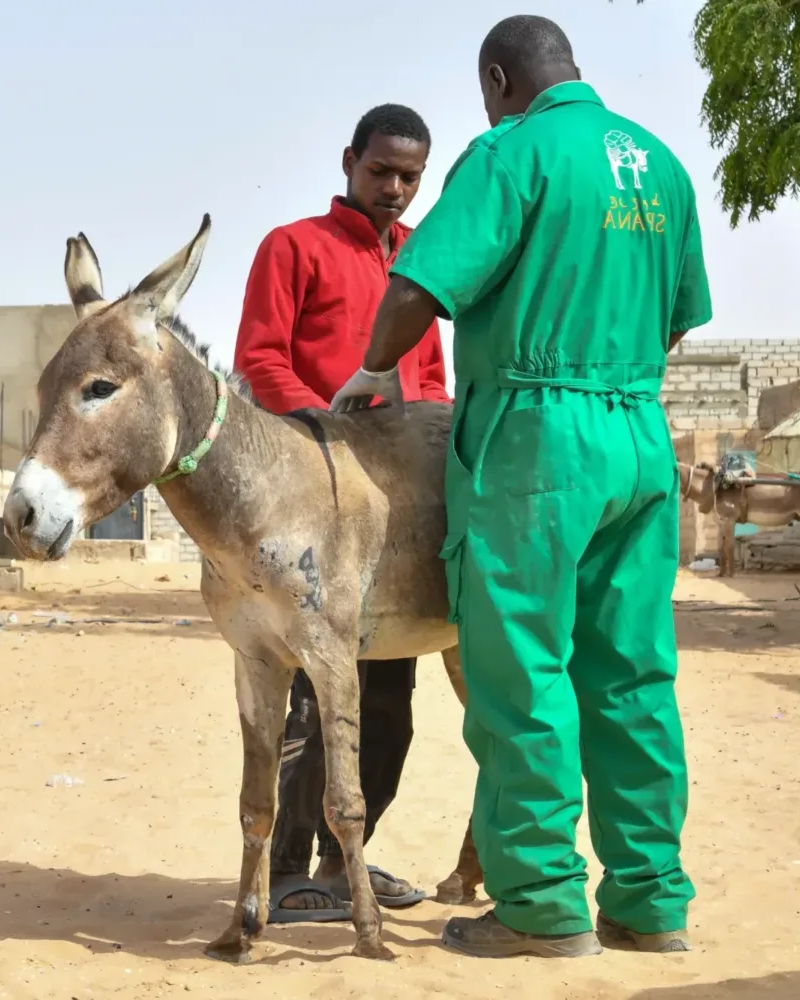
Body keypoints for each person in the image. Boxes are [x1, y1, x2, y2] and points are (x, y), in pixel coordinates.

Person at [331, 15, 711, 959]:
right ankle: (649, 901)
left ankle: (541, 906)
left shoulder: (510, 154)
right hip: (638, 431)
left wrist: (377, 370)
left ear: (499, 79)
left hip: (537, 445)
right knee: (632, 672)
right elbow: (676, 320)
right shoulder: (661, 165)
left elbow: (419, 290)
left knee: (522, 672)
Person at [230, 102, 452, 923]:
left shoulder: (422, 268)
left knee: (388, 704)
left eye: (409, 177)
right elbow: (258, 361)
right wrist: (332, 426)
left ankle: (343, 860)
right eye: (380, 172)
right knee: (306, 700)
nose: (394, 189)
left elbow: (427, 381)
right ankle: (286, 872)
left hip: (391, 516)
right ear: (347, 162)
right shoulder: (293, 247)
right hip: (307, 508)